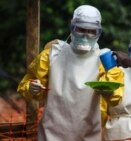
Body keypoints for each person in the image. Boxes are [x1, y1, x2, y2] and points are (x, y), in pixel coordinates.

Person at [17, 5, 120, 141]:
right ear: (72, 28)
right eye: (81, 29)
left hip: (87, 133)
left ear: (98, 32)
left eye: (91, 31)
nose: (85, 35)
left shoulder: (103, 59)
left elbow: (116, 98)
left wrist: (109, 90)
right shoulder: (52, 54)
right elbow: (28, 86)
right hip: (51, 133)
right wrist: (32, 87)